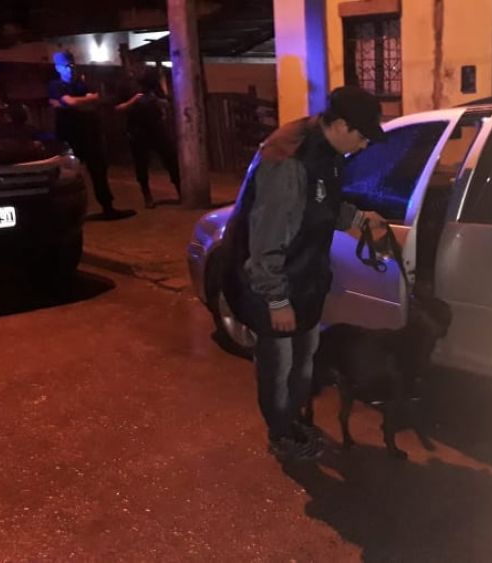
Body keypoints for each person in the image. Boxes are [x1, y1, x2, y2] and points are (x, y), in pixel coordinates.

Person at [222, 85, 388, 461]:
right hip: (275, 285)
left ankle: (292, 421)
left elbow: (320, 202)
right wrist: (276, 300)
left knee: (302, 363)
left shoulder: (328, 151)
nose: (364, 145)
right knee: (278, 368)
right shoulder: (288, 161)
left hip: (306, 279)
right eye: (362, 136)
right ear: (341, 125)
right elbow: (265, 240)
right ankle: (280, 435)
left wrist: (357, 218)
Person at [48, 51, 134, 220]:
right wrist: (83, 100)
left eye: (72, 65)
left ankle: (108, 207)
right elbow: (73, 102)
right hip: (70, 136)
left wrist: (72, 103)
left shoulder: (82, 83)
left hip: (89, 134)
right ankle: (70, 213)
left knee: (99, 171)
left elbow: (89, 101)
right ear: (58, 68)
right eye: (66, 66)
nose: (70, 69)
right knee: (70, 175)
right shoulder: (56, 85)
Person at [115, 66, 181, 208]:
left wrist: (157, 101)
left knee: (170, 157)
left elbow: (166, 102)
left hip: (156, 126)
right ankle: (147, 194)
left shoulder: (152, 83)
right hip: (137, 128)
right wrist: (133, 101)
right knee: (141, 163)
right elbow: (118, 108)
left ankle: (180, 190)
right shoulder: (125, 85)